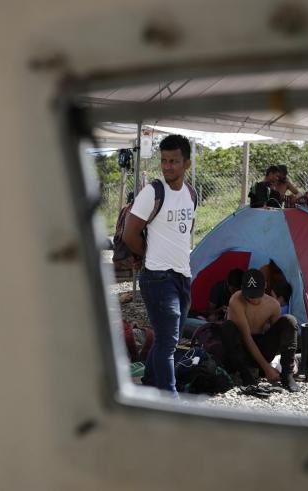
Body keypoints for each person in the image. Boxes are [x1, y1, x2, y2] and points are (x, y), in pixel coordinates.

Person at [123, 134, 197, 395]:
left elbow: (183, 233)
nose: (167, 166)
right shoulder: (152, 192)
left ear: (186, 163)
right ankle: (170, 399)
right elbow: (129, 234)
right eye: (164, 161)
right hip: (157, 277)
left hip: (182, 276)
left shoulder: (190, 194)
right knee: (168, 343)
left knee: (169, 339)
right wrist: (147, 257)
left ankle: (151, 383)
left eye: (174, 161)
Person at [220, 269, 300, 391]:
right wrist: (267, 368)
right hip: (240, 350)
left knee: (290, 321)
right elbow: (246, 337)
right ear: (242, 289)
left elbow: (279, 336)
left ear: (265, 287)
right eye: (250, 296)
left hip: (261, 347)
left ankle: (287, 375)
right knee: (228, 327)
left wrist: (287, 361)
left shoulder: (273, 305)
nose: (254, 300)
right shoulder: (236, 300)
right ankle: (246, 375)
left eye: (257, 295)